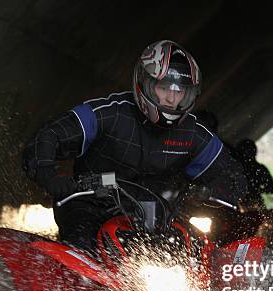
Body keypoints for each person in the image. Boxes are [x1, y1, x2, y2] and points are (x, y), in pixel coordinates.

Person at [23, 40, 247, 250]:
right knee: (83, 246)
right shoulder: (107, 113)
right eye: (164, 87)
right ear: (145, 83)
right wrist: (48, 176)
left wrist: (210, 193)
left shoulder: (194, 134)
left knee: (197, 254)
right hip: (89, 205)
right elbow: (49, 136)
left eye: (180, 91)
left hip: (156, 219)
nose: (172, 98)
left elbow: (232, 174)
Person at [232, 139, 273, 209]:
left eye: (249, 151)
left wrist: (258, 192)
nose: (247, 154)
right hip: (234, 200)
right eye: (246, 151)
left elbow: (271, 187)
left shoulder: (259, 169)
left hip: (253, 202)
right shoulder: (234, 166)